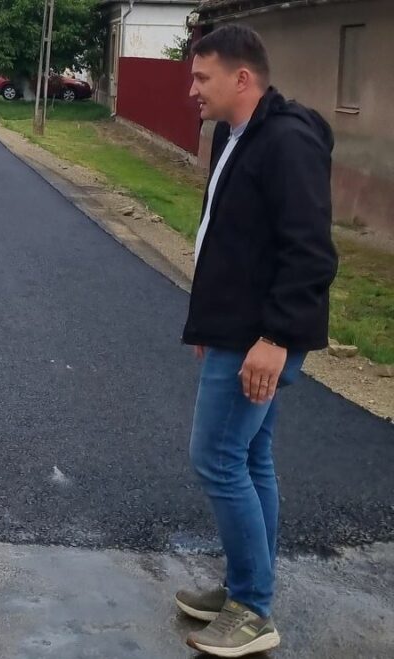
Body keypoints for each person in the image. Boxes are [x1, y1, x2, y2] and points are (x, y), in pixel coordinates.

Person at [175, 25, 338, 657]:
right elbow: (226, 235)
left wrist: (274, 338)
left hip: (261, 337)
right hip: (235, 327)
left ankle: (252, 607)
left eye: (202, 77)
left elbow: (309, 253)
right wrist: (209, 321)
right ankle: (248, 587)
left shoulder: (287, 142)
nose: (192, 89)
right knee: (250, 458)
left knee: (216, 458)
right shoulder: (231, 134)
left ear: (242, 78)